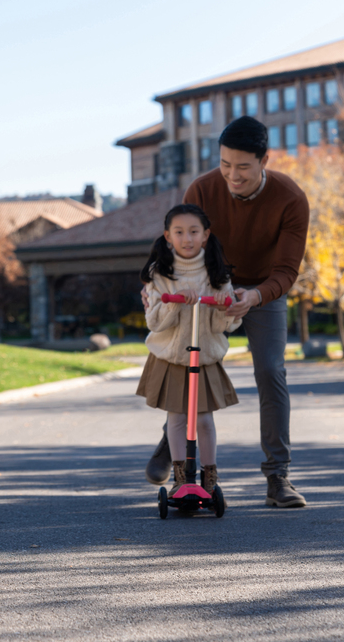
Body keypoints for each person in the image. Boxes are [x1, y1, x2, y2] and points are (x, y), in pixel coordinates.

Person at [145, 115, 310, 508]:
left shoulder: (291, 199)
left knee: (271, 370)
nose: (232, 176)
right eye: (224, 165)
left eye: (242, 168)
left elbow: (287, 270)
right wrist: (154, 286)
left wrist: (253, 296)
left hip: (261, 293)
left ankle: (278, 477)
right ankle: (176, 444)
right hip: (206, 288)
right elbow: (178, 241)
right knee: (187, 364)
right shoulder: (202, 189)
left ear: (264, 161)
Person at [137, 204, 241, 497]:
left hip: (204, 357)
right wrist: (175, 300)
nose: (187, 239)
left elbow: (226, 325)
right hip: (172, 357)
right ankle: (181, 476)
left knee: (205, 420)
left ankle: (210, 475)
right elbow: (155, 321)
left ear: (206, 235)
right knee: (178, 418)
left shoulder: (216, 272)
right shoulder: (160, 274)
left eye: (194, 232)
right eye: (179, 232)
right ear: (167, 236)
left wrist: (223, 306)